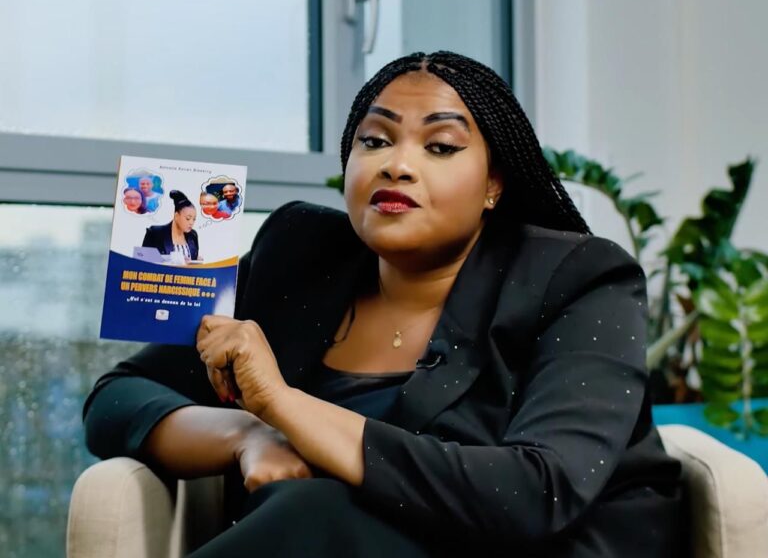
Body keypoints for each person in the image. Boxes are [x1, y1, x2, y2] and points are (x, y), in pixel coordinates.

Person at [83, 51, 683, 557]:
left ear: (494, 184)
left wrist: (284, 405)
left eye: (440, 146)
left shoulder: (579, 278)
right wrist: (250, 433)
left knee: (315, 508)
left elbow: (535, 494)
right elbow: (119, 397)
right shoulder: (300, 253)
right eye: (375, 140)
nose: (397, 164)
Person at [141, 190, 199, 261]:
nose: (191, 222)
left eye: (194, 219)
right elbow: (142, 260)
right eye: (188, 218)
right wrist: (173, 260)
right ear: (176, 215)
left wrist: (196, 261)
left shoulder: (193, 236)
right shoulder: (155, 233)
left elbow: (193, 260)